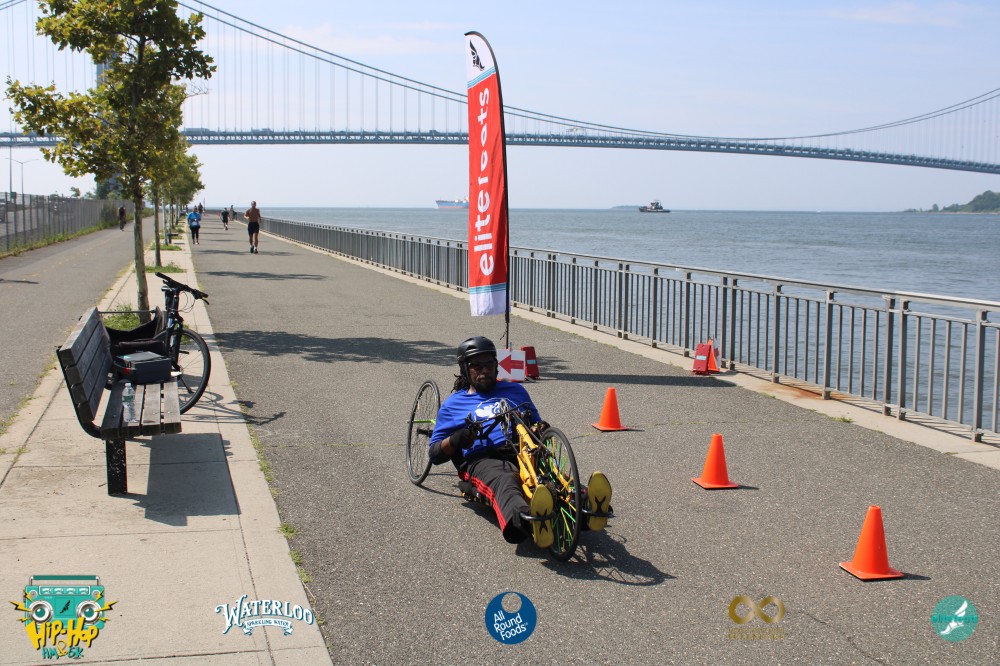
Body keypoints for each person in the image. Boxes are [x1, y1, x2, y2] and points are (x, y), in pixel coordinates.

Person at [429, 336, 613, 548]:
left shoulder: (515, 390)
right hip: (483, 458)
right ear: (464, 369)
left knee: (552, 476)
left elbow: (537, 425)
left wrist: (540, 428)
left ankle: (587, 505)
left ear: (496, 365)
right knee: (506, 479)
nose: (484, 370)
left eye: (489, 364)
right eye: (477, 366)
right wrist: (455, 439)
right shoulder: (453, 405)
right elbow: (435, 454)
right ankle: (527, 519)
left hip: (523, 449)